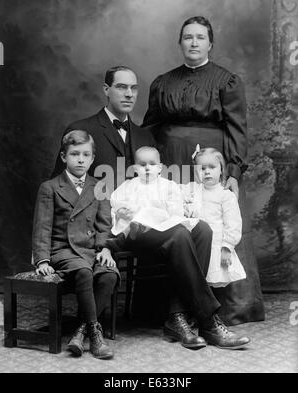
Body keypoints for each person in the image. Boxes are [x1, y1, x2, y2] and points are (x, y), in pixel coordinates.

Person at [142, 16, 264, 325]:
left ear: (210, 43)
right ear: (179, 43)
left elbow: (237, 129)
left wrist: (233, 173)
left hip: (211, 162)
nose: (193, 43)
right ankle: (168, 309)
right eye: (187, 37)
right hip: (170, 162)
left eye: (200, 37)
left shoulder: (227, 80)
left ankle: (220, 308)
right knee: (174, 225)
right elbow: (150, 127)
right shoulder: (162, 82)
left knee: (214, 222)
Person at [109, 146, 250, 350]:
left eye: (152, 164)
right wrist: (123, 211)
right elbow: (117, 205)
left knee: (203, 229)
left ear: (160, 167)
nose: (147, 169)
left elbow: (175, 211)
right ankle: (207, 320)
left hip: (163, 230)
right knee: (181, 233)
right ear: (134, 168)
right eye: (142, 165)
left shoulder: (168, 186)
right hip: (138, 234)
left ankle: (178, 315)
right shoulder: (129, 186)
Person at [32, 130, 119, 359]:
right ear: (63, 157)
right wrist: (42, 259)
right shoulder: (50, 187)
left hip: (90, 249)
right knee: (83, 271)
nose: (80, 159)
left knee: (109, 274)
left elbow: (104, 225)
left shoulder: (98, 186)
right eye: (74, 154)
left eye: (85, 155)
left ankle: (81, 331)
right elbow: (42, 227)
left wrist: (105, 248)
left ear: (92, 159)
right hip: (62, 250)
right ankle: (95, 334)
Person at [52, 65, 155, 189]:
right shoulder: (81, 130)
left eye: (133, 88)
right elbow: (60, 188)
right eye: (121, 87)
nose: (129, 94)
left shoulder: (146, 137)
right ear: (106, 90)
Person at [183, 146, 246, 288]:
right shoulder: (192, 189)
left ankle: (212, 307)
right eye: (202, 168)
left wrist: (227, 247)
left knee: (212, 277)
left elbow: (233, 223)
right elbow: (174, 195)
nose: (207, 172)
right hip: (196, 244)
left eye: (212, 167)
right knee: (193, 279)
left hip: (217, 244)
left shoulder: (225, 194)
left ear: (221, 169)